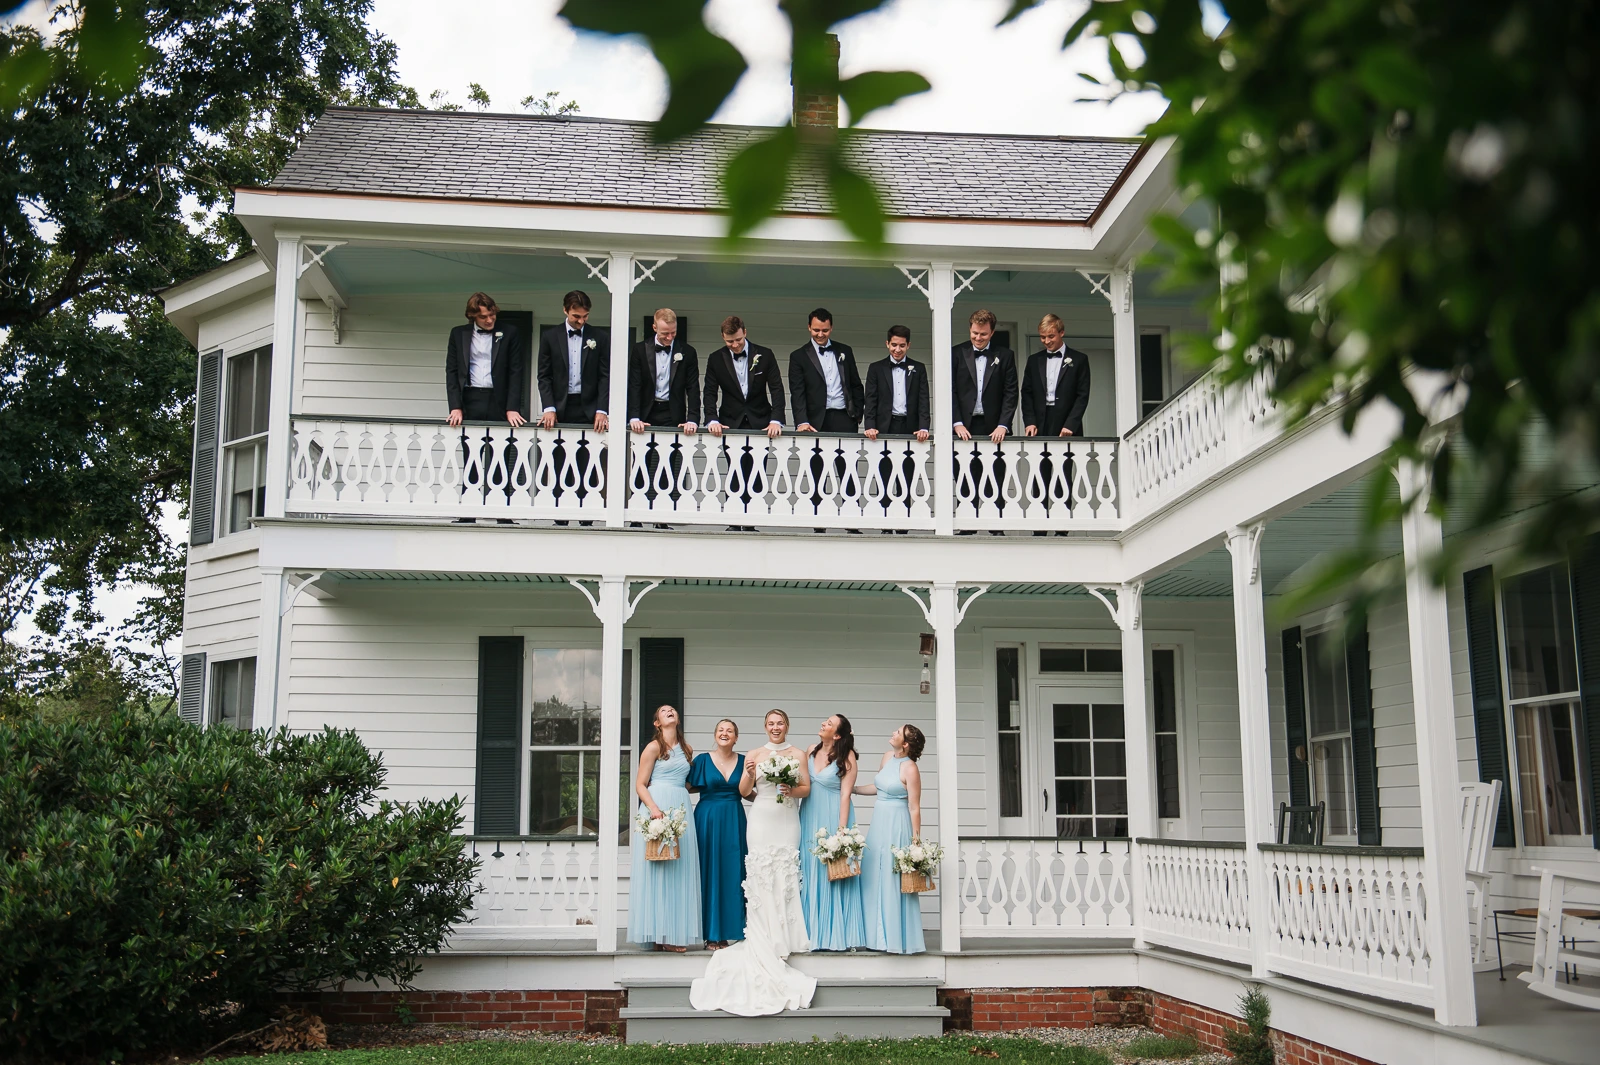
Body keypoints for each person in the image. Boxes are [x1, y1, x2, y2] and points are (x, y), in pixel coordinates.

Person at [689, 709, 816, 1015]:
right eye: (771, 723)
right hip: (760, 818)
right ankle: (762, 930)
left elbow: (806, 788)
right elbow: (745, 791)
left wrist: (791, 789)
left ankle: (787, 935)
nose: (775, 727)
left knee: (785, 872)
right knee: (760, 873)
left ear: (787, 726)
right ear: (765, 726)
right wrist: (747, 774)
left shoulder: (798, 754)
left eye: (780, 723)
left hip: (787, 818)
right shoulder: (754, 755)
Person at [444, 293, 525, 523]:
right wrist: (455, 406)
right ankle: (468, 515)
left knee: (500, 456)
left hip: (499, 400)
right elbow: (451, 371)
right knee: (471, 457)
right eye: (483, 317)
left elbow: (516, 371)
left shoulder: (510, 332)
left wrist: (512, 407)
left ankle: (502, 515)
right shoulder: (458, 334)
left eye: (492, 315)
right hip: (470, 399)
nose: (489, 320)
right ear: (472, 316)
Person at [628, 705, 702, 951]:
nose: (670, 711)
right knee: (657, 871)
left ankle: (672, 932)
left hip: (680, 807)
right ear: (657, 723)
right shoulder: (653, 747)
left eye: (672, 710)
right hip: (657, 806)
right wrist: (653, 809)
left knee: (678, 870)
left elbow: (687, 784)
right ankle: (657, 933)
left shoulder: (687, 749)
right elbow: (640, 784)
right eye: (663, 711)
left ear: (677, 719)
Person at [702, 316, 785, 528]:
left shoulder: (765, 355)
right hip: (730, 421)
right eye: (730, 341)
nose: (735, 345)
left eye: (738, 340)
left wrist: (776, 419)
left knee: (758, 471)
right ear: (723, 337)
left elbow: (776, 389)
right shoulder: (716, 358)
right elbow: (710, 392)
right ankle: (733, 520)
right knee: (734, 470)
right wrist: (712, 419)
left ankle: (751, 522)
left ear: (745, 333)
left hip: (761, 421)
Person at [853, 724, 926, 955]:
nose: (893, 733)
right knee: (872, 874)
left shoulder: (910, 768)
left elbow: (914, 807)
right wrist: (852, 789)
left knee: (892, 878)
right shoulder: (886, 757)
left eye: (898, 732)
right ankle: (874, 937)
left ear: (905, 744)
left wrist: (915, 842)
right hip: (879, 822)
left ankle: (894, 938)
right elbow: (878, 788)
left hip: (898, 824)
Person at [536, 290, 609, 522]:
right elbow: (544, 376)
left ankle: (586, 518)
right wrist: (549, 407)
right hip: (561, 408)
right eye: (576, 316)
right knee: (560, 463)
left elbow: (605, 376)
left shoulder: (600, 337)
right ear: (565, 310)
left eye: (585, 316)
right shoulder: (550, 336)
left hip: (589, 409)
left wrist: (602, 410)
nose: (581, 321)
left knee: (588, 463)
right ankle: (561, 517)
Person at [790, 308, 865, 532]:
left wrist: (857, 414)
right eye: (816, 330)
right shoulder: (798, 356)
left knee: (848, 470)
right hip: (815, 421)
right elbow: (797, 392)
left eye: (824, 330)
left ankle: (852, 523)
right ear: (808, 328)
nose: (820, 334)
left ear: (831, 328)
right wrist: (802, 421)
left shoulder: (845, 351)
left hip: (844, 417)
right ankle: (819, 524)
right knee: (817, 471)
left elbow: (855, 385)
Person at [797, 714, 867, 951]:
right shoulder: (810, 750)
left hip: (833, 817)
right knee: (809, 869)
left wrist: (841, 832)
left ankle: (835, 936)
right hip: (809, 815)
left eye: (829, 723)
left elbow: (845, 795)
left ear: (837, 735)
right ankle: (809, 933)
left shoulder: (847, 757)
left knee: (833, 872)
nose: (823, 724)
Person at [1021, 313, 1092, 533]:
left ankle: (1062, 528)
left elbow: (1082, 395)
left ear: (1061, 332)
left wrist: (1071, 424)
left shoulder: (1079, 360)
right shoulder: (1034, 360)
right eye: (1043, 337)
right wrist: (1030, 421)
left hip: (1065, 424)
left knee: (1063, 475)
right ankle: (1039, 528)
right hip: (1040, 423)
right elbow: (1027, 393)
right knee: (1039, 474)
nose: (1047, 341)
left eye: (1051, 336)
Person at [627, 308, 699, 522]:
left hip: (672, 413)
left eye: (673, 333)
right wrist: (634, 416)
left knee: (669, 465)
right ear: (654, 328)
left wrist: (692, 418)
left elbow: (693, 388)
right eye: (665, 333)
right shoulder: (640, 350)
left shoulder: (687, 352)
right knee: (641, 464)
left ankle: (663, 517)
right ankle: (637, 517)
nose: (669, 338)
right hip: (646, 413)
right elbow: (634, 385)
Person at [951, 309, 1017, 532]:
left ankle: (995, 526)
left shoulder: (1005, 356)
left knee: (995, 478)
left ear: (992, 332)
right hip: (964, 427)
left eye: (983, 334)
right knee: (965, 477)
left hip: (994, 427)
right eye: (975, 333)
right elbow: (949, 390)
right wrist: (957, 422)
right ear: (970, 329)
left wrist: (1003, 424)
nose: (978, 338)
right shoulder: (956, 353)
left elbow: (1010, 393)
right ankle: (967, 527)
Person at [687, 718, 748, 949]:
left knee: (733, 871)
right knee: (708, 871)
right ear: (715, 735)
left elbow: (748, 792)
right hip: (708, 819)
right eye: (721, 730)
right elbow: (687, 786)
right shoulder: (702, 760)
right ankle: (710, 934)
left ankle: (729, 931)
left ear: (736, 738)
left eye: (729, 730)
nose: (725, 733)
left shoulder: (744, 761)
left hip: (733, 818)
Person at [862, 325, 930, 528]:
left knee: (906, 476)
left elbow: (923, 400)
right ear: (887, 344)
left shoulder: (918, 368)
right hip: (884, 427)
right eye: (894, 345)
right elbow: (870, 399)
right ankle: (885, 524)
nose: (897, 350)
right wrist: (870, 425)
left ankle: (902, 525)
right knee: (884, 474)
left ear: (908, 345)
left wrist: (924, 426)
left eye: (902, 345)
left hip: (909, 427)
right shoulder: (876, 368)